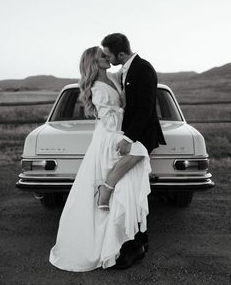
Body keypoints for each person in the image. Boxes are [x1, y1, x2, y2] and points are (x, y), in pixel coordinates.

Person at [49, 46, 152, 272]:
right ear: (94, 63)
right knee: (139, 152)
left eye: (107, 55)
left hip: (116, 134)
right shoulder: (96, 88)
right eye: (102, 56)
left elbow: (129, 74)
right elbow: (109, 119)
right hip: (108, 136)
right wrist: (120, 130)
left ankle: (122, 242)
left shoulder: (114, 78)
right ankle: (106, 190)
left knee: (127, 185)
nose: (107, 58)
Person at [100, 33, 166, 269]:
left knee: (131, 190)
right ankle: (139, 241)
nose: (106, 58)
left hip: (140, 140)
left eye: (108, 54)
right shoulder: (126, 70)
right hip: (131, 138)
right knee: (131, 190)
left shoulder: (143, 69)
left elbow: (146, 108)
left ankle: (134, 247)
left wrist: (129, 138)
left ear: (120, 53)